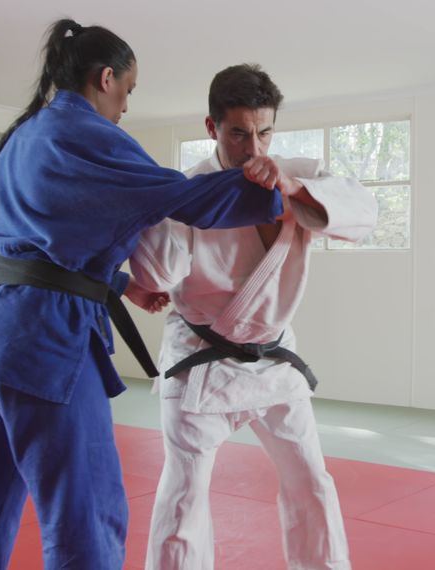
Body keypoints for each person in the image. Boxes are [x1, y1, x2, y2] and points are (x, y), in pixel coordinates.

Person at [0, 21, 284, 570]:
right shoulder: (90, 134)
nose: (125, 107)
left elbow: (47, 239)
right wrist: (274, 191)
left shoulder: (26, 134)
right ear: (107, 78)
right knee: (87, 518)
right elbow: (184, 199)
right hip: (42, 345)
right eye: (127, 92)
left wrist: (120, 285)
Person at [128, 63, 377, 570]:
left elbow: (363, 213)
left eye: (264, 132)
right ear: (212, 128)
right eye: (239, 133)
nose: (254, 148)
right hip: (201, 358)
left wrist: (290, 188)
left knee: (310, 480)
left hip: (274, 358)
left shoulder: (293, 172)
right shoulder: (189, 190)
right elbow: (159, 271)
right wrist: (154, 214)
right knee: (184, 493)